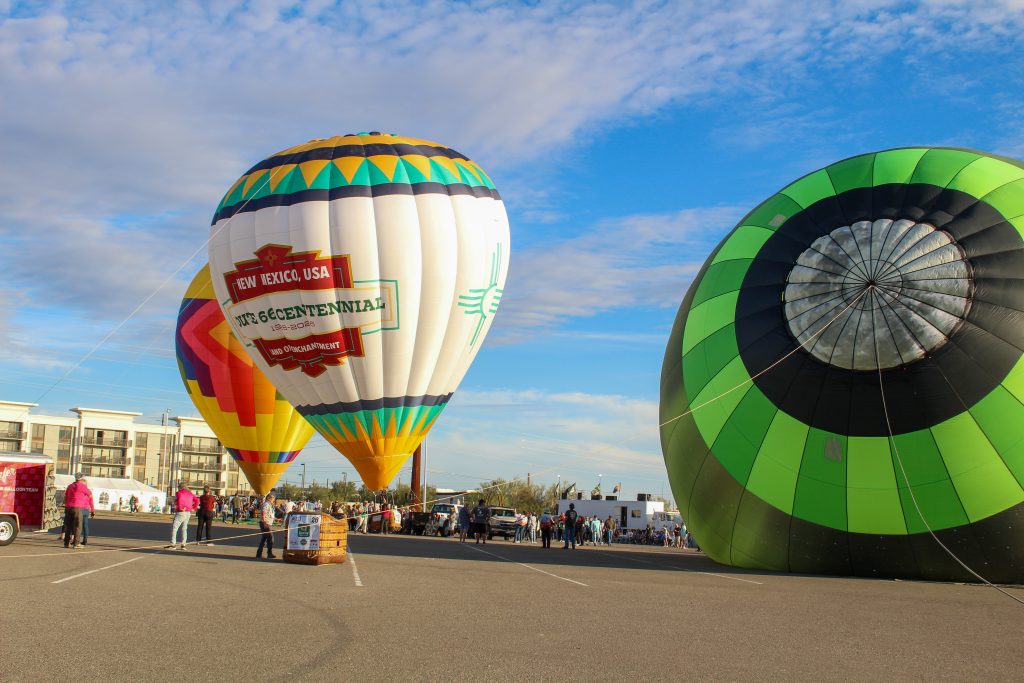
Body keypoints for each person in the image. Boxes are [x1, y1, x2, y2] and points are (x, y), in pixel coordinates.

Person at [63, 473, 94, 549]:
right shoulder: (83, 487)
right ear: (82, 479)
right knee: (78, 525)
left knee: (68, 525)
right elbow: (90, 495)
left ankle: (66, 543)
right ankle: (76, 543)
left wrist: (67, 505)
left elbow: (66, 496)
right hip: (77, 507)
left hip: (68, 507)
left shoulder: (70, 486)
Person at [170, 482, 198, 550]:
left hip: (181, 512)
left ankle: (173, 544)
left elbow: (179, 500)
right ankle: (183, 544)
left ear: (180, 487)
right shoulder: (190, 493)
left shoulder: (178, 493)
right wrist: (194, 508)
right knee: (184, 528)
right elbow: (197, 500)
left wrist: (179, 507)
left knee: (174, 527)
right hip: (188, 512)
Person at [256, 493, 277, 559]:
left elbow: (269, 514)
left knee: (264, 538)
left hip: (267, 523)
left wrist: (275, 519)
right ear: (269, 498)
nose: (273, 500)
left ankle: (259, 554)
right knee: (270, 538)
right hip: (265, 523)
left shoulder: (270, 505)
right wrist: (264, 521)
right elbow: (263, 512)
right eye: (273, 499)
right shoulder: (266, 504)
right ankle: (269, 553)